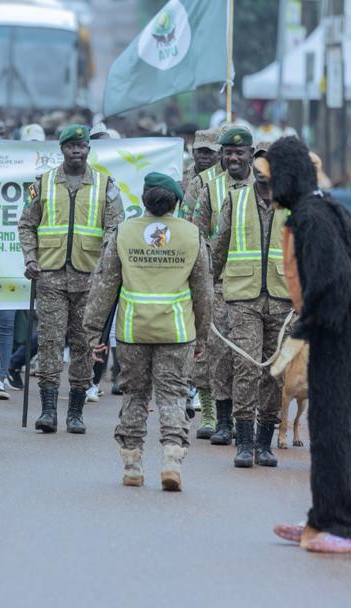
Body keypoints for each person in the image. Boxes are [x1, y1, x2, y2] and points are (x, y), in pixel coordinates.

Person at [266, 136, 351, 554]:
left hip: (345, 332)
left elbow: (337, 282)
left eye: (272, 178)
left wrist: (308, 328)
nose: (268, 188)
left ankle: (342, 527)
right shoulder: (321, 206)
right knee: (325, 425)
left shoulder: (311, 217)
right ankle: (322, 517)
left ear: (290, 175)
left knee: (333, 428)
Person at [84, 172, 211, 491]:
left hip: (132, 331)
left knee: (135, 396)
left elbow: (104, 285)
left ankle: (132, 465)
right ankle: (171, 461)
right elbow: (203, 292)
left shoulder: (124, 232)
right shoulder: (192, 234)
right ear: (176, 202)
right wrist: (203, 335)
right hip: (177, 331)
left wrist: (93, 332)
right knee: (173, 395)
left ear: (143, 200)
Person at [17, 124, 124, 435]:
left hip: (89, 281)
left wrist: (103, 271)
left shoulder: (105, 185)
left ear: (89, 149)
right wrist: (30, 258)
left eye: (82, 145)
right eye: (70, 145)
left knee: (82, 346)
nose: (76, 150)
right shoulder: (44, 183)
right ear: (61, 150)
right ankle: (48, 410)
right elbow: (26, 225)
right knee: (49, 343)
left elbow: (115, 230)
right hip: (49, 277)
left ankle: (75, 411)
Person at [212, 146, 294, 468]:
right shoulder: (235, 199)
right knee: (245, 367)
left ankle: (264, 444)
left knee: (274, 371)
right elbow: (218, 247)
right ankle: (244, 443)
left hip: (283, 301)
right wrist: (207, 287)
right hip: (243, 298)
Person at [192, 123, 254, 445]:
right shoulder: (210, 189)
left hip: (257, 288)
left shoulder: (265, 188)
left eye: (239, 152)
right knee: (217, 355)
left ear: (251, 155)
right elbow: (196, 236)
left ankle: (250, 420)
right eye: (227, 152)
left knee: (248, 357)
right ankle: (221, 421)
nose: (233, 158)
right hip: (218, 284)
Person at [179, 127, 223, 220]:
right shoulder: (181, 176)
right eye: (200, 151)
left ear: (219, 154)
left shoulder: (224, 178)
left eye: (209, 152)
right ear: (193, 152)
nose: (204, 157)